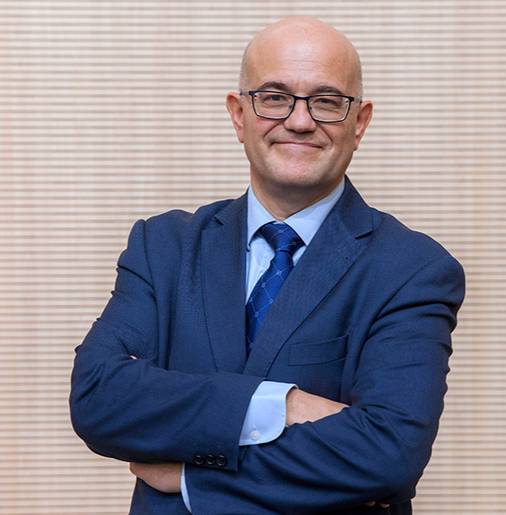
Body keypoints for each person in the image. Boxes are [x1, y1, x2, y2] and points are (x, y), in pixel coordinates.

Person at [69, 16, 465, 514]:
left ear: (359, 122)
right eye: (274, 97)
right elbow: (99, 397)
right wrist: (283, 405)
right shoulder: (163, 246)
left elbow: (388, 453)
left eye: (326, 101)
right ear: (239, 114)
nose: (300, 121)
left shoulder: (413, 268)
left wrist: (193, 477)